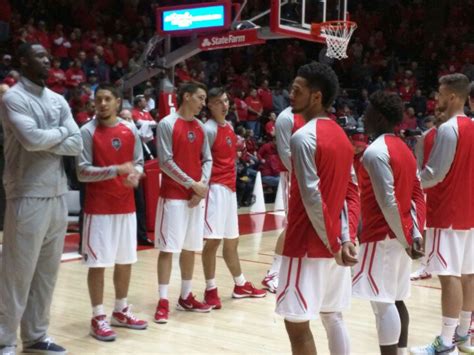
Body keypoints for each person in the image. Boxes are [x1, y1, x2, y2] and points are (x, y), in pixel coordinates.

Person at [0, 43, 82, 355]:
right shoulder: (13, 98)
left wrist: (54, 136)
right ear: (23, 60)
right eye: (40, 56)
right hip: (26, 192)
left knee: (47, 273)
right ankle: (4, 339)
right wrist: (61, 133)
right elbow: (31, 141)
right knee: (17, 273)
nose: (48, 60)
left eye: (48, 55)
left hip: (57, 193)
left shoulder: (58, 100)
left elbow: (76, 145)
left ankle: (35, 336)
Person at [275, 62, 359, 355]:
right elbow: (351, 192)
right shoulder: (342, 137)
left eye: (297, 90)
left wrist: (336, 241)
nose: (290, 94)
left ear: (316, 96)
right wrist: (345, 238)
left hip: (307, 244)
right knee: (333, 316)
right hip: (333, 243)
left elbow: (312, 198)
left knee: (296, 325)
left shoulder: (303, 137)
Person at [352, 91, 426, 355]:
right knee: (395, 299)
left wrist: (408, 238)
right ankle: (402, 351)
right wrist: (414, 233)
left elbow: (388, 203)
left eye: (369, 110)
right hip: (400, 235)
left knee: (382, 303)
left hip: (383, 236)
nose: (364, 115)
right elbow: (416, 195)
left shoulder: (374, 153)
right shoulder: (404, 150)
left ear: (380, 117)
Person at [76, 83, 148, 342]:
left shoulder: (130, 129)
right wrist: (116, 170)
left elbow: (138, 163)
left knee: (125, 260)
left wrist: (135, 176)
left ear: (118, 102)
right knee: (98, 264)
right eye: (99, 99)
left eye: (107, 99)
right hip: (98, 210)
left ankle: (120, 310)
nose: (102, 103)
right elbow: (81, 171)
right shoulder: (87, 131)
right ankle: (98, 316)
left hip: (126, 207)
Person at [411, 73, 474, 354]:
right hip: (470, 212)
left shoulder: (449, 129)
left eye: (439, 93)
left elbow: (434, 174)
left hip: (446, 212)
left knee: (449, 278)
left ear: (451, 96)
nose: (436, 98)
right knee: (469, 275)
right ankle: (464, 336)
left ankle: (445, 343)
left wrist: (408, 184)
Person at [201, 87, 266, 309]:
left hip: (229, 190)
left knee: (232, 241)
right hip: (214, 190)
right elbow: (200, 161)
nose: (224, 105)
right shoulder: (207, 129)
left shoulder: (228, 126)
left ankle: (240, 285)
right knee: (212, 242)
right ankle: (210, 290)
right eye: (219, 102)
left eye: (226, 100)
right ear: (209, 105)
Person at [154, 82, 213, 324]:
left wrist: (201, 187)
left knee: (190, 248)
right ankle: (163, 300)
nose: (203, 102)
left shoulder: (200, 126)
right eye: (200, 97)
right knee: (168, 249)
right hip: (173, 197)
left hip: (195, 197)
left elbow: (208, 158)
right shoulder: (167, 124)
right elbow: (165, 162)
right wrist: (193, 184)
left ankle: (186, 296)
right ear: (186, 97)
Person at [261, 106, 305, 293]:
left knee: (304, 222)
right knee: (293, 223)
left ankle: (295, 267)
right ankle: (273, 272)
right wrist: (301, 175)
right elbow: (284, 153)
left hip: (308, 176)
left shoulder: (310, 114)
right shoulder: (286, 118)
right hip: (293, 175)